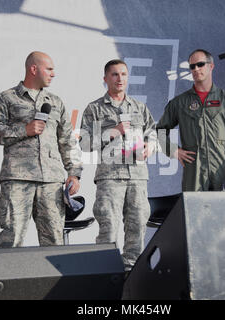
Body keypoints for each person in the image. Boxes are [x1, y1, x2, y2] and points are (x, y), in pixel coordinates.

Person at [0, 51, 82, 248]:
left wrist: (74, 173)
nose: (53, 74)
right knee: (11, 240)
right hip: (17, 179)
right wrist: (25, 130)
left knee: (54, 242)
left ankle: (53, 280)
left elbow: (67, 140)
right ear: (33, 69)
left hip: (51, 182)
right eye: (49, 69)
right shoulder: (7, 98)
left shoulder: (55, 102)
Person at [80, 59, 157, 271]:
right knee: (109, 227)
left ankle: (132, 277)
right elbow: (84, 143)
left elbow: (152, 132)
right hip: (110, 177)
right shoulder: (94, 108)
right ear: (105, 79)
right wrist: (114, 131)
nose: (120, 78)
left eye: (123, 74)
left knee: (138, 227)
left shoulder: (139, 107)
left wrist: (150, 146)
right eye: (114, 74)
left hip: (137, 177)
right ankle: (106, 275)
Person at [156, 49, 225, 191]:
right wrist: (173, 150)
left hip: (222, 168)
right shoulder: (180, 102)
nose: (196, 69)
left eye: (200, 64)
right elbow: (159, 132)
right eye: (192, 66)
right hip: (194, 172)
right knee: (195, 210)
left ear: (211, 66)